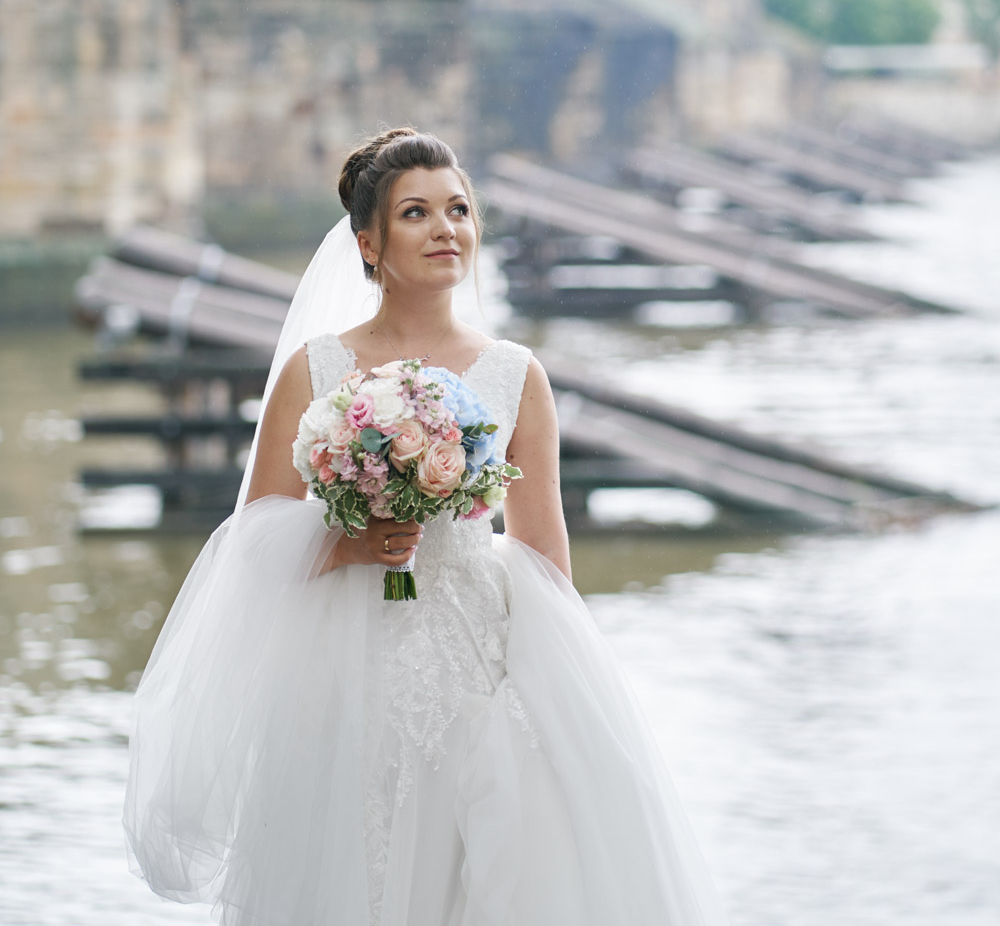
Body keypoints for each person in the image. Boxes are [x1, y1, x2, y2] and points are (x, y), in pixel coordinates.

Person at [124, 128, 729, 926]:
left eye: (460, 210)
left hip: (476, 666)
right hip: (341, 664)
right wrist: (347, 542)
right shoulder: (316, 370)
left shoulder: (517, 375)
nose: (447, 229)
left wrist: (543, 694)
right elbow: (254, 542)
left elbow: (547, 559)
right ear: (369, 243)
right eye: (418, 213)